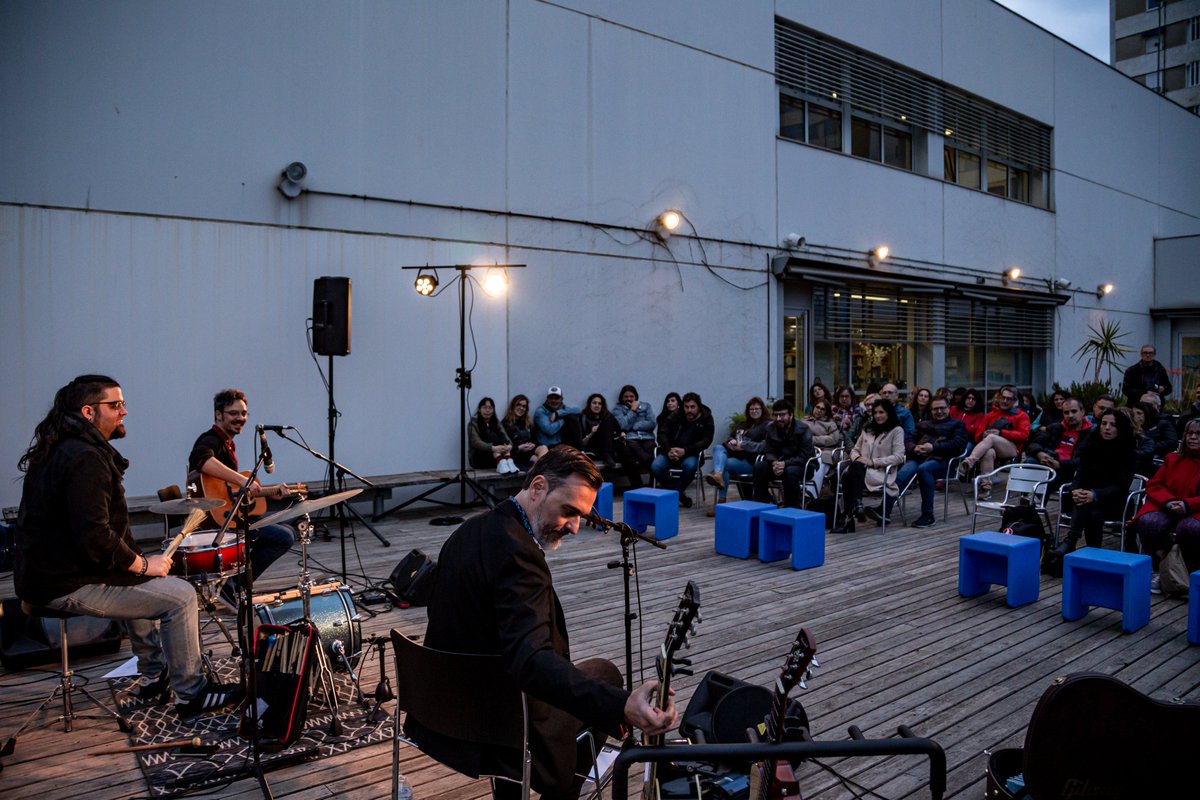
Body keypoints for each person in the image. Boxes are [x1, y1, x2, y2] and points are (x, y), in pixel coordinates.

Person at [406, 447, 676, 800]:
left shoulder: (467, 532)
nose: (577, 527)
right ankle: (560, 788)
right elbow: (532, 663)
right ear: (537, 488)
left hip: (441, 710)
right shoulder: (519, 555)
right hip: (498, 723)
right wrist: (621, 705)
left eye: (583, 515)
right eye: (569, 511)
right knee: (605, 675)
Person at [14, 375, 242, 719]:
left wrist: (135, 567)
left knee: (140, 583)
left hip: (53, 573)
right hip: (63, 582)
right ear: (89, 411)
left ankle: (155, 675)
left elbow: (96, 536)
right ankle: (191, 695)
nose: (124, 412)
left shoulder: (63, 447)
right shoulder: (84, 458)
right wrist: (142, 565)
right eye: (116, 405)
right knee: (180, 595)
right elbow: (95, 536)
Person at [188, 389, 296, 589]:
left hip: (233, 515)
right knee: (283, 537)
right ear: (219, 414)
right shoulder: (211, 438)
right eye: (234, 413)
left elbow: (230, 491)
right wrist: (242, 480)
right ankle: (234, 585)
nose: (240, 418)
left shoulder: (227, 443)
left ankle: (235, 582)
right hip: (221, 522)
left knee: (288, 528)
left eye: (244, 413)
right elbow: (200, 460)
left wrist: (272, 492)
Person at [1052, 410, 1136, 556]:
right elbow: (1080, 474)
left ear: (1121, 428)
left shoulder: (1128, 451)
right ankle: (1090, 552)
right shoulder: (1091, 445)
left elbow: (1121, 486)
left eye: (1112, 425)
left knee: (1091, 509)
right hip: (1087, 498)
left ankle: (1071, 542)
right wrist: (1076, 490)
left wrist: (1095, 494)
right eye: (1104, 423)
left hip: (1114, 501)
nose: (1107, 428)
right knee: (1090, 509)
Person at [1134, 419, 1200, 592]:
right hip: (1168, 506)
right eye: (1190, 433)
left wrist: (1187, 505)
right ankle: (1163, 568)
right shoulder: (1172, 458)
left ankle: (1189, 573)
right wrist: (1169, 501)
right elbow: (1154, 484)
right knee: (1149, 522)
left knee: (1190, 528)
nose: (1193, 437)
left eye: (1198, 434)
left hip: (1196, 510)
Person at [891, 395, 969, 528]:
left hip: (943, 462)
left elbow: (958, 444)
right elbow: (908, 439)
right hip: (919, 458)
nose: (939, 411)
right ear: (931, 410)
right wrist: (914, 448)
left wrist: (934, 447)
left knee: (924, 469)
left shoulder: (957, 425)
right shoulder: (924, 424)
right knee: (903, 474)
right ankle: (884, 510)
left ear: (949, 408)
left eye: (942, 408)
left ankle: (928, 515)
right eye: (935, 409)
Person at [832, 398, 905, 533]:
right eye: (875, 412)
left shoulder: (896, 430)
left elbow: (899, 457)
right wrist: (858, 458)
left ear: (889, 413)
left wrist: (873, 462)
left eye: (881, 412)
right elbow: (855, 449)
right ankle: (857, 505)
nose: (878, 415)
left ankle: (849, 517)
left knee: (849, 475)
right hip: (859, 471)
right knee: (852, 471)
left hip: (880, 473)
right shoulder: (868, 429)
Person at [957, 385, 1031, 497]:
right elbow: (978, 435)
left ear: (1015, 400)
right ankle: (986, 488)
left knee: (992, 437)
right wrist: (983, 435)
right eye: (1003, 397)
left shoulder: (1021, 415)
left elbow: (1024, 435)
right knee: (988, 452)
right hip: (991, 448)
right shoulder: (990, 415)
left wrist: (1000, 433)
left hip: (1012, 449)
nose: (1004, 401)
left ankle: (969, 462)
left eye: (1008, 399)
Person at [705, 396, 769, 516]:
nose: (754, 411)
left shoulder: (767, 425)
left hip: (752, 462)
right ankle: (718, 475)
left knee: (724, 465)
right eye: (751, 409)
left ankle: (721, 503)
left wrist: (743, 445)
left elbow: (763, 446)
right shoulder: (743, 424)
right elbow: (731, 437)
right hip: (736, 456)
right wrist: (731, 443)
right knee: (718, 448)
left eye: (757, 409)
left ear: (762, 409)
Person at [651, 392, 714, 508]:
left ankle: (675, 493)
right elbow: (662, 433)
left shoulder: (706, 418)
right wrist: (668, 449)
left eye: (692, 407)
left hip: (691, 453)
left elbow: (706, 440)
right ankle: (679, 494)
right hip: (670, 452)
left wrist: (685, 450)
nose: (689, 410)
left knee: (690, 466)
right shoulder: (676, 414)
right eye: (686, 407)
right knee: (656, 466)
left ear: (699, 406)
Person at [751, 399, 815, 509]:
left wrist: (784, 464)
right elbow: (768, 450)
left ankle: (791, 510)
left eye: (782, 415)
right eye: (775, 415)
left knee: (790, 472)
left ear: (791, 415)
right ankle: (760, 508)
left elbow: (805, 456)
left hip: (802, 466)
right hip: (779, 464)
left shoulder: (803, 429)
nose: (778, 419)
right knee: (759, 467)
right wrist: (774, 462)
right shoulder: (771, 427)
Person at [1024, 397, 1091, 488]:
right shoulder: (1055, 427)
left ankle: (1034, 497)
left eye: (1074, 411)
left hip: (1069, 470)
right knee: (1029, 462)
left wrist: (1060, 464)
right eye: (1066, 412)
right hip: (1049, 464)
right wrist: (1040, 453)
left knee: (1045, 476)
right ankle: (1029, 497)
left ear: (1082, 412)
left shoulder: (1091, 434)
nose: (1070, 415)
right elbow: (1034, 444)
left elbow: (1085, 460)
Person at [578, 393, 643, 488]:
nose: (597, 405)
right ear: (589, 404)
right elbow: (582, 443)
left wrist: (621, 434)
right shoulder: (583, 418)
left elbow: (619, 431)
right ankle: (607, 454)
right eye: (594, 403)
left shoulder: (607, 416)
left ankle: (638, 488)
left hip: (610, 449)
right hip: (594, 449)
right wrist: (592, 433)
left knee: (626, 452)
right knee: (621, 449)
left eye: (599, 403)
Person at [611, 385, 656, 474]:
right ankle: (656, 472)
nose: (629, 399)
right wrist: (632, 411)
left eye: (631, 396)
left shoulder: (646, 406)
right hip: (631, 438)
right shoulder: (617, 410)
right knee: (643, 456)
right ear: (621, 397)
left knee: (653, 451)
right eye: (626, 397)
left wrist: (634, 426)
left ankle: (653, 483)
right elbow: (621, 426)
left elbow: (652, 423)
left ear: (636, 397)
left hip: (647, 437)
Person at [469, 396, 519, 474]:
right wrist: (493, 448)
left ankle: (508, 462)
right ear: (479, 409)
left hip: (495, 458)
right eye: (485, 407)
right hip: (479, 458)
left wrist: (509, 446)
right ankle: (504, 461)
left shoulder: (496, 422)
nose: (488, 410)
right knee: (492, 435)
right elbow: (475, 442)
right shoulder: (473, 423)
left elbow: (506, 437)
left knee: (501, 436)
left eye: (490, 408)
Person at [503, 394, 549, 470]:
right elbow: (504, 446)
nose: (521, 408)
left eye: (524, 406)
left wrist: (532, 445)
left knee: (543, 448)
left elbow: (535, 440)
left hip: (529, 452)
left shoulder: (527, 423)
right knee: (539, 462)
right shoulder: (506, 424)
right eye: (518, 405)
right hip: (516, 454)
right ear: (513, 406)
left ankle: (536, 475)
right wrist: (519, 447)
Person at [1121, 344, 1172, 408]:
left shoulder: (1160, 369)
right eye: (1145, 353)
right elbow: (1126, 390)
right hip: (1136, 405)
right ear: (1141, 354)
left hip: (1156, 406)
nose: (1148, 355)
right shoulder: (1132, 371)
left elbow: (1169, 388)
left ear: (1154, 354)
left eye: (1150, 353)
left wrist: (1163, 389)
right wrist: (1145, 392)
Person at [805, 399, 842, 465]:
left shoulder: (830, 423)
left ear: (826, 412)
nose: (819, 411)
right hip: (806, 451)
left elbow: (833, 439)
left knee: (818, 463)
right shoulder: (804, 421)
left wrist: (812, 439)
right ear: (813, 407)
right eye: (817, 407)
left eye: (822, 409)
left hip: (825, 452)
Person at [831, 385, 863, 449]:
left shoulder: (857, 410)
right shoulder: (833, 409)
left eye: (847, 396)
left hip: (852, 442)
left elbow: (860, 431)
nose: (844, 399)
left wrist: (850, 424)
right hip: (835, 442)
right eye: (842, 396)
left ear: (851, 397)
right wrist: (832, 420)